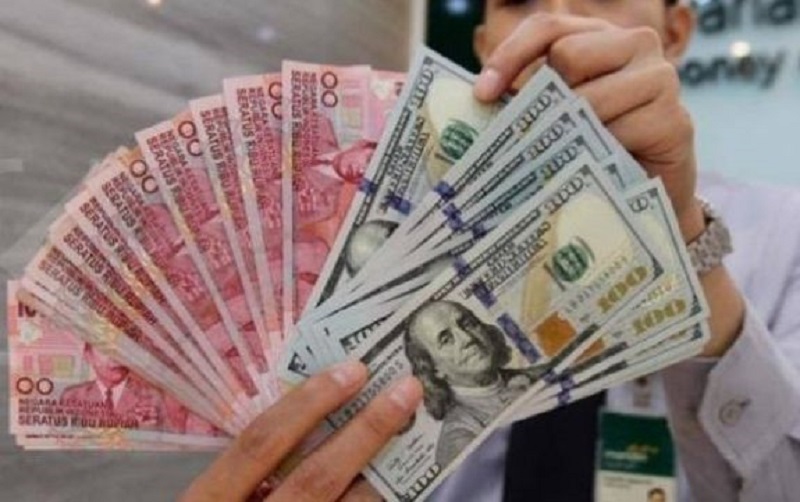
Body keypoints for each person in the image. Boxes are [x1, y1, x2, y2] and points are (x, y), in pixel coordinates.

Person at [185, 0, 800, 499]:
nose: (559, 26)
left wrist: (684, 240)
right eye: (518, 1)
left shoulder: (785, 232)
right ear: (485, 47)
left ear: (677, 32)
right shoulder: (375, 246)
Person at [404, 300, 542, 466]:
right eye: (446, 340)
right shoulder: (459, 438)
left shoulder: (540, 374)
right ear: (434, 370)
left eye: (467, 324)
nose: (467, 338)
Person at [60, 343, 167, 430]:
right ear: (88, 356)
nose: (116, 358)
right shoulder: (72, 396)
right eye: (105, 350)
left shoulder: (152, 396)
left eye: (122, 350)